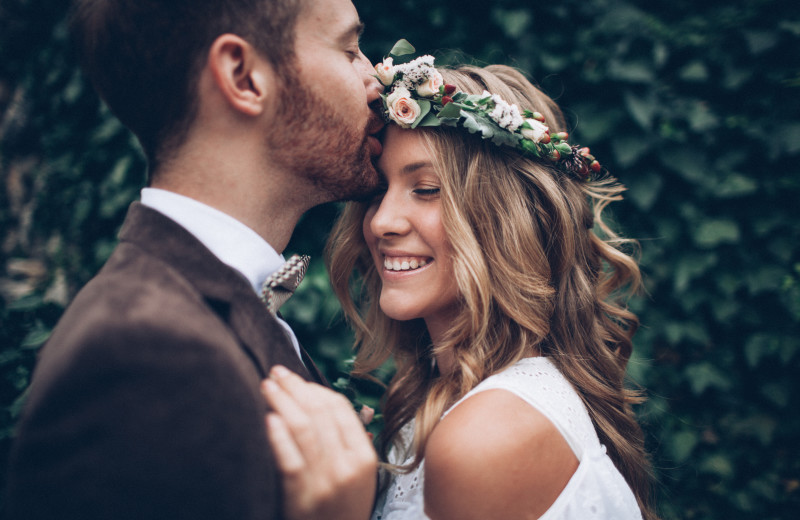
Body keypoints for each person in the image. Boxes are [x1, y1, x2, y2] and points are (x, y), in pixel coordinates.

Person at [5, 0, 382, 519]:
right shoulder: (143, 353)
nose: (375, 79)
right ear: (243, 76)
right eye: (349, 49)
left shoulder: (197, 309)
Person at [261, 50, 658, 520]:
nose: (382, 222)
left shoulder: (488, 435)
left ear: (509, 218)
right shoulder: (445, 400)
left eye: (426, 190)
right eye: (375, 193)